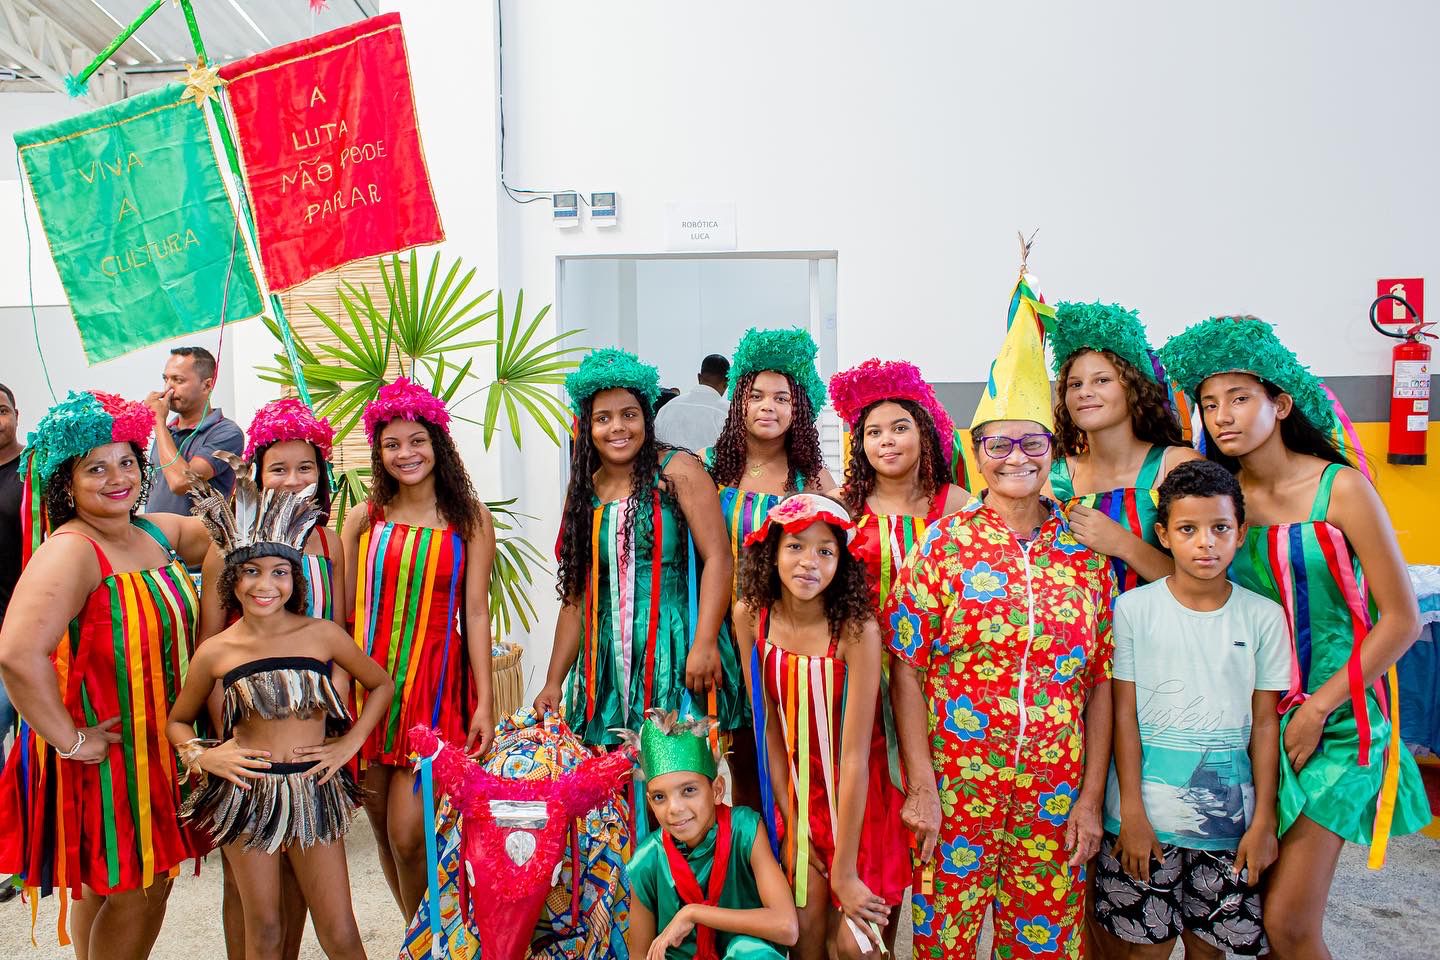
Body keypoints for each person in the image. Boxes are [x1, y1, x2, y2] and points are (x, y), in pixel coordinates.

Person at [1160, 315, 1430, 959]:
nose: (1222, 415)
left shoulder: (1342, 489)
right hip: (1248, 721)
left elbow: (1401, 619)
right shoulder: (1222, 502)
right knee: (1245, 922)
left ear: (1280, 404)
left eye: (1239, 397)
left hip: (1338, 720)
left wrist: (1317, 709)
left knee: (1289, 924)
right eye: (1209, 403)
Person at [886, 271, 1115, 958]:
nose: (1017, 457)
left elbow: (1100, 682)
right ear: (977, 454)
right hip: (956, 791)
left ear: (1053, 451)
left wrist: (1091, 798)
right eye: (999, 445)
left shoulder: (1086, 551)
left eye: (1032, 443)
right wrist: (921, 786)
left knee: (1043, 948)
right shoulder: (942, 546)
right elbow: (906, 669)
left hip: (1054, 797)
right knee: (944, 946)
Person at [0, 391, 212, 959]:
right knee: (142, 884)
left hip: (159, 745)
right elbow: (17, 653)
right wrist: (70, 740)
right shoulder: (71, 550)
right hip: (113, 756)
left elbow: (223, 535)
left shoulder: (153, 533)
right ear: (66, 483)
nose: (117, 478)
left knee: (105, 882)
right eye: (95, 468)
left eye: (125, 462)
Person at [167, 476, 392, 960]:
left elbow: (381, 684)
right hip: (247, 794)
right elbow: (178, 721)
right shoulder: (215, 651)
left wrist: (349, 743)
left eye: (279, 572)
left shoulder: (322, 635)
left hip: (313, 789)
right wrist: (204, 756)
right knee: (265, 931)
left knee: (341, 932)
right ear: (232, 579)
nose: (265, 585)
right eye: (251, 571)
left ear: (295, 579)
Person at [1095, 460, 1289, 958]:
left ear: (1240, 533)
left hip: (1230, 826)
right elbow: (1123, 715)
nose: (1206, 543)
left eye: (1220, 528)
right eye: (1188, 529)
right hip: (1142, 821)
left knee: (1208, 949)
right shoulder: (1132, 610)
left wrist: (1263, 821)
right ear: (1163, 535)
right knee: (1147, 949)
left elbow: (1265, 724)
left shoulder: (1264, 617)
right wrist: (1131, 812)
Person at [535, 348, 746, 756]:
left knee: (675, 773)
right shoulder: (584, 491)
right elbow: (576, 596)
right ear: (587, 426)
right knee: (615, 779)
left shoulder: (679, 470)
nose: (618, 427)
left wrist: (704, 642)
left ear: (646, 419)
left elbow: (719, 558)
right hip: (607, 660)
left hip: (676, 645)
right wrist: (552, 682)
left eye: (629, 415)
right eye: (603, 418)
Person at [341, 377, 496, 923]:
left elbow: (475, 613)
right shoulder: (364, 518)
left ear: (438, 444)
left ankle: (428, 937)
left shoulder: (470, 519)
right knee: (382, 825)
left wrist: (485, 701)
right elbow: (343, 613)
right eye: (392, 444)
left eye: (417, 441)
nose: (405, 453)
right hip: (370, 682)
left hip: (435, 684)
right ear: (378, 453)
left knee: (410, 834)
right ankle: (417, 936)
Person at [197, 399, 346, 960]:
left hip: (314, 731)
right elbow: (210, 649)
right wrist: (224, 738)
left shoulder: (329, 542)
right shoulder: (227, 548)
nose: (292, 479)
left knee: (306, 871)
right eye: (278, 468)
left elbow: (340, 636)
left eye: (305, 467)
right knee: (249, 886)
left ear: (321, 473)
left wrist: (338, 725)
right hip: (248, 734)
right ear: (257, 474)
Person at [733, 494, 907, 959]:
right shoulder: (750, 615)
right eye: (795, 546)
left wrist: (845, 872)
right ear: (772, 552)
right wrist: (793, 825)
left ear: (842, 562)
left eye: (825, 550)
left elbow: (854, 757)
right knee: (803, 936)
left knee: (855, 947)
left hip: (861, 803)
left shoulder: (856, 631)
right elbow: (767, 728)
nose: (809, 562)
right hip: (798, 797)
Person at [702, 328, 836, 805]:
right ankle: (749, 846)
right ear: (739, 400)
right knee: (737, 756)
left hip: (785, 635)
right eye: (756, 395)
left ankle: (793, 843)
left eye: (782, 398)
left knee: (790, 754)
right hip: (721, 633)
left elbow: (835, 552)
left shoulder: (812, 478)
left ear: (798, 409)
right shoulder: (709, 468)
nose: (768, 407)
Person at [1048, 302, 1201, 591]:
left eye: (1102, 380)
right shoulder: (1053, 478)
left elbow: (1204, 584)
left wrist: (1123, 544)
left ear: (1134, 388)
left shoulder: (1177, 465)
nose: (1085, 392)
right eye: (1075, 384)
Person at [627, 710, 798, 960]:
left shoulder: (744, 831)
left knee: (748, 951)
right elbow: (639, 955)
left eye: (688, 790)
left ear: (717, 790)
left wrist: (693, 913)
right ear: (650, 802)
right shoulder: (647, 861)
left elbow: (786, 926)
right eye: (660, 797)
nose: (674, 808)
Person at [144, 346, 245, 517]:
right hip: (152, 533)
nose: (168, 389)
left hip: (197, 534)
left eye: (178, 380)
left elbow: (181, 483)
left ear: (206, 385)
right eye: (166, 379)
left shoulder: (227, 433)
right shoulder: (167, 431)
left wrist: (158, 422)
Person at [655, 353, 733, 452]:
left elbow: (656, 447)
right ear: (727, 382)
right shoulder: (730, 412)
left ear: (699, 377)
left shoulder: (668, 407)